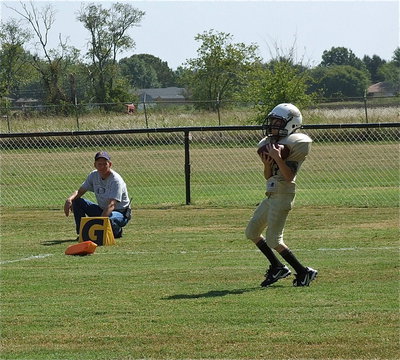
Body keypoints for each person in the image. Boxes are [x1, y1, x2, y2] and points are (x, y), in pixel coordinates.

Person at [245, 103, 318, 287]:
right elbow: (269, 175)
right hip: (271, 193)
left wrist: (278, 158)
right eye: (272, 122)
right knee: (252, 232)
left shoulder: (298, 142)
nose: (272, 126)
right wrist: (268, 163)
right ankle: (277, 267)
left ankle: (304, 272)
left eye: (277, 122)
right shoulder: (270, 143)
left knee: (273, 240)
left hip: (284, 194)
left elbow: (289, 176)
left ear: (290, 123)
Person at [64, 151, 131, 239]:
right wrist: (70, 200)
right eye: (99, 164)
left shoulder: (116, 180)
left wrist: (99, 225)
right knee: (77, 201)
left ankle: (117, 230)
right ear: (95, 165)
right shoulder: (93, 175)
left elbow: (112, 205)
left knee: (110, 219)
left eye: (105, 164)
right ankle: (82, 233)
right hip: (102, 210)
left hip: (120, 213)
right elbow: (80, 192)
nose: (102, 166)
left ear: (110, 164)